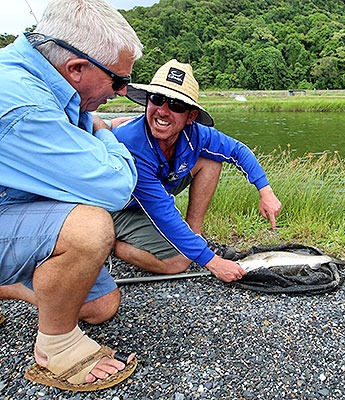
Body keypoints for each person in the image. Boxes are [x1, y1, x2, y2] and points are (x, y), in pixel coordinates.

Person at [0, 0, 143, 391]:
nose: (123, 91)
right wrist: (104, 133)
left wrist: (93, 126)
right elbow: (114, 188)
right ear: (77, 68)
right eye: (117, 81)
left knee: (99, 307)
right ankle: (56, 349)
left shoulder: (47, 82)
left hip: (9, 203)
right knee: (89, 226)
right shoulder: (22, 102)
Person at [110, 59, 282, 281]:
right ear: (147, 102)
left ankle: (194, 234)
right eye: (157, 99)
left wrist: (265, 190)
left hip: (149, 200)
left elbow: (237, 150)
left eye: (176, 105)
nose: (162, 111)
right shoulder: (130, 143)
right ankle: (109, 243)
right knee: (179, 262)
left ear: (191, 116)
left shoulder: (197, 135)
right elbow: (162, 212)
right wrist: (214, 262)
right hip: (117, 208)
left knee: (210, 160)